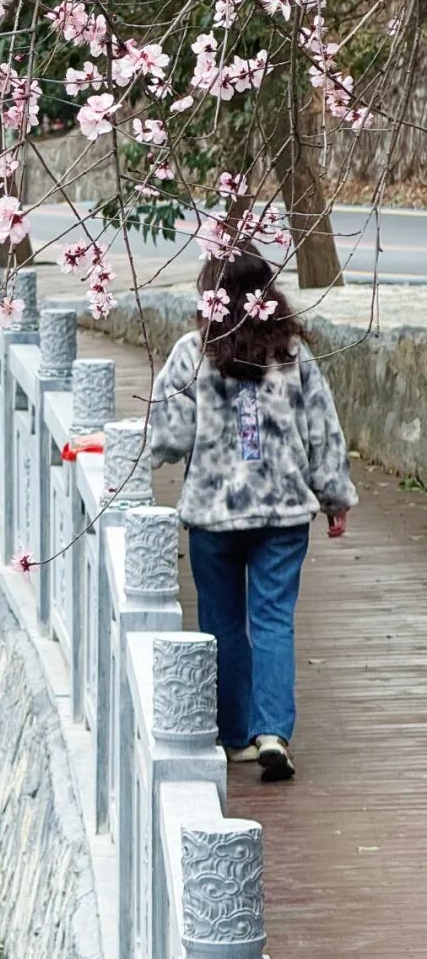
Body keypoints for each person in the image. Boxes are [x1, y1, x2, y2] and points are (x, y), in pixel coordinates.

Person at [150, 244, 357, 781]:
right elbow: (324, 433)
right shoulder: (292, 356)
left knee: (221, 624)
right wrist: (334, 496)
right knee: (272, 619)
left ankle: (236, 734)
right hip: (283, 514)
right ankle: (274, 733)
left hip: (214, 516)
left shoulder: (192, 353)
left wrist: (121, 462)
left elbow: (168, 437)